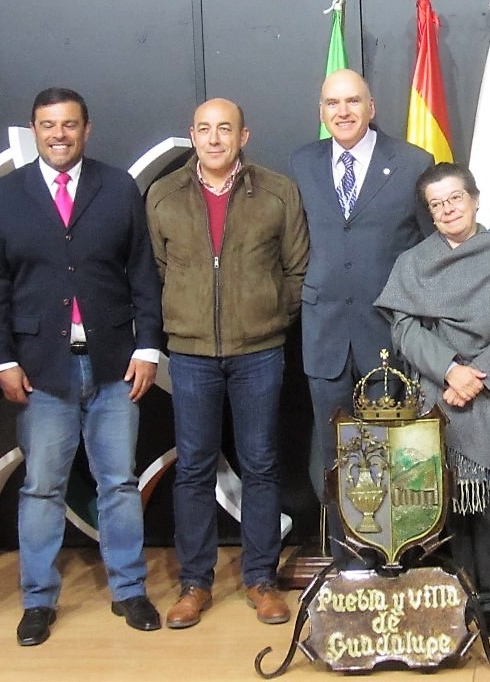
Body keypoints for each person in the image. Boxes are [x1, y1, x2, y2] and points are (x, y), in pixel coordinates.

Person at [0, 87, 164, 645]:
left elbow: (143, 275)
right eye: (47, 124)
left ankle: (129, 591)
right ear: (33, 129)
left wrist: (147, 348)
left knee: (119, 485)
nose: (59, 134)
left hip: (113, 366)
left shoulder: (118, 187)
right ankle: (37, 601)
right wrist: (3, 358)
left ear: (87, 129)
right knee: (40, 489)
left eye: (70, 125)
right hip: (39, 370)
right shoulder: (8, 196)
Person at [146, 98, 309, 628]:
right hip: (190, 355)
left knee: (260, 465)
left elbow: (297, 270)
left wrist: (264, 317)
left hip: (259, 351)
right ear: (191, 135)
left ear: (244, 135)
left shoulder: (278, 192)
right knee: (193, 468)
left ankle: (261, 579)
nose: (214, 139)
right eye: (204, 130)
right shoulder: (163, 196)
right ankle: (195, 583)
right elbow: (158, 270)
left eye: (226, 129)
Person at [374, 163, 490, 638]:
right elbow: (404, 328)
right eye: (437, 204)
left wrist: (478, 379)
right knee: (446, 501)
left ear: (474, 199)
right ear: (430, 213)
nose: (448, 209)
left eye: (455, 198)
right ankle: (455, 590)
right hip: (439, 393)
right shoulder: (414, 263)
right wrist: (451, 369)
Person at [289, 68, 433, 562]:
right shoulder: (303, 163)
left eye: (353, 101)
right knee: (333, 453)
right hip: (325, 333)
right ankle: (343, 564)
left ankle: (394, 561)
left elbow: (427, 250)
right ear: (321, 112)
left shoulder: (414, 162)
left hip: (387, 335)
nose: (343, 112)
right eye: (332, 103)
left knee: (390, 450)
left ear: (371, 108)